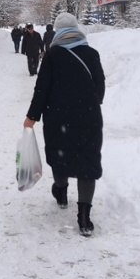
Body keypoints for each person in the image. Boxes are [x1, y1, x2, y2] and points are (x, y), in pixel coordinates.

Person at [23, 12, 105, 237]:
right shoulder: (91, 54)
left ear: (58, 31)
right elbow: (100, 90)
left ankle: (60, 192)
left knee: (60, 156)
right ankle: (85, 217)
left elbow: (42, 90)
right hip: (88, 117)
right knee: (87, 161)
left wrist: (32, 116)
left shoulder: (52, 56)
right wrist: (86, 103)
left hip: (57, 118)